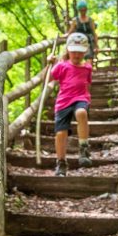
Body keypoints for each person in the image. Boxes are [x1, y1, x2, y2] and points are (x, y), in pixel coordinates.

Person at [47, 32, 94, 176]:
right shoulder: (62, 66)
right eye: (73, 51)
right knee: (61, 133)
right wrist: (49, 63)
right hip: (63, 102)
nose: (76, 55)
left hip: (80, 98)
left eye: (80, 52)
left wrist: (87, 99)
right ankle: (61, 163)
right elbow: (48, 79)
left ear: (85, 51)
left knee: (81, 113)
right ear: (68, 50)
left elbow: (88, 84)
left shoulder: (87, 67)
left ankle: (84, 148)